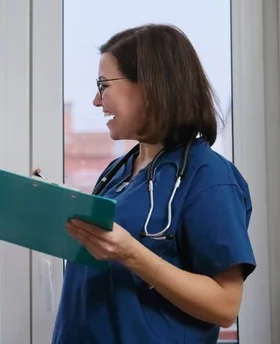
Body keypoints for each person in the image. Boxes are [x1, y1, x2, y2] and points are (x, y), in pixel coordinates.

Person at [48, 24, 257, 343]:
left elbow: (225, 305)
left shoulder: (209, 178)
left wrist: (132, 254)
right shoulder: (118, 171)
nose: (95, 100)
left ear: (151, 86)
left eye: (103, 85)